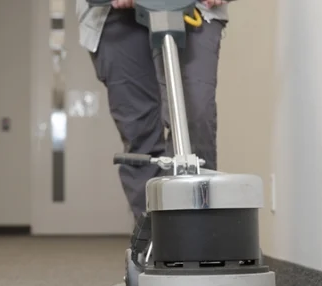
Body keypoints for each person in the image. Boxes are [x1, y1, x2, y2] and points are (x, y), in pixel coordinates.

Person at [76, 0, 229, 220]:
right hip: (116, 15)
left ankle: (201, 234)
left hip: (193, 8)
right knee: (141, 134)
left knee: (194, 119)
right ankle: (155, 240)